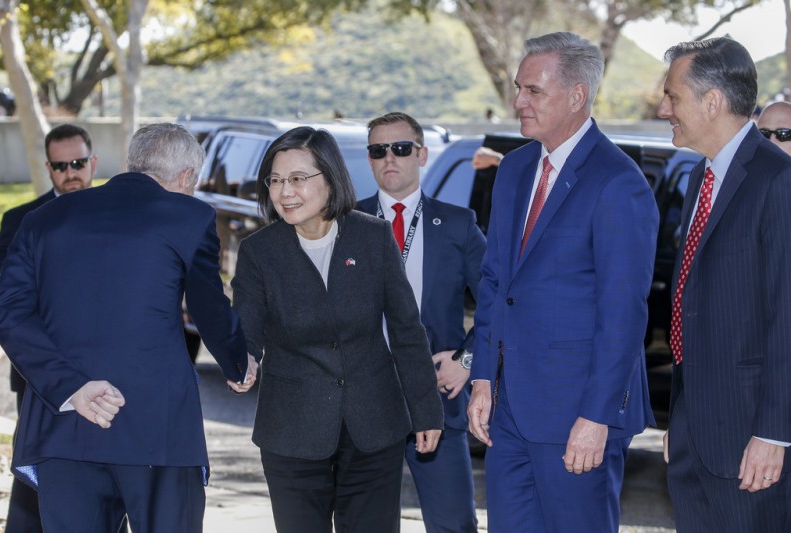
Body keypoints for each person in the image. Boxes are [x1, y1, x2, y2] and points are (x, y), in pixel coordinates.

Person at [0, 122, 255, 532]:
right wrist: (239, 363)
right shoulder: (189, 216)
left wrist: (71, 388)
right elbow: (209, 307)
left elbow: (6, 312)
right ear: (187, 177)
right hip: (158, 430)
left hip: (64, 429)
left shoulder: (43, 218)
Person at [466, 32, 658, 532]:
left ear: (577, 96)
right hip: (507, 413)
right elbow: (494, 283)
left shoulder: (619, 182)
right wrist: (483, 376)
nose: (518, 101)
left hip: (578, 417)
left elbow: (624, 316)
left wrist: (596, 418)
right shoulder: (514, 168)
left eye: (533, 90)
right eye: (518, 88)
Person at [231, 126, 443, 533]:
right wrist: (244, 360)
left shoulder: (373, 235)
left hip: (374, 426)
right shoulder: (260, 251)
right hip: (292, 431)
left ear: (330, 178)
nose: (284, 191)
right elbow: (247, 328)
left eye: (297, 179)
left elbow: (406, 330)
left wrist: (426, 410)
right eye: (275, 181)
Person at [658, 37, 791, 532]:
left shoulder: (777, 180)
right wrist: (682, 419)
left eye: (673, 96)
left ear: (712, 101)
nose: (663, 107)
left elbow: (786, 316)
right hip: (696, 432)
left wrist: (775, 435)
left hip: (752, 441)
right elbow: (693, 307)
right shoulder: (699, 178)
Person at [357, 112, 486, 532]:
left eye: (401, 148)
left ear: (422, 154)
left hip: (437, 398)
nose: (389, 158)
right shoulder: (343, 224)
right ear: (370, 158)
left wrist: (466, 361)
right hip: (362, 407)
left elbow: (501, 304)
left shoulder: (457, 224)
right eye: (379, 150)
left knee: (453, 524)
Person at [0, 123, 97, 533]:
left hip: (107, 370)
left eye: (78, 163)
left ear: (93, 162)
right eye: (61, 165)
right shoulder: (20, 219)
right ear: (48, 167)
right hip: (40, 375)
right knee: (38, 477)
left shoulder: (121, 215)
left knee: (107, 477)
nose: (71, 172)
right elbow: (1, 294)